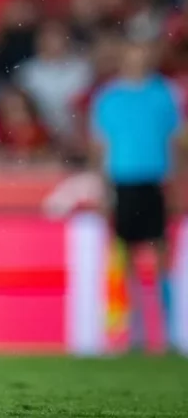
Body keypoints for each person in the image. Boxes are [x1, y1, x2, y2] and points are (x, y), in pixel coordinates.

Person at [89, 37, 183, 352]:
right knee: (127, 259)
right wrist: (103, 190)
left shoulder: (164, 93)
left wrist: (177, 185)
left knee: (161, 257)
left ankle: (168, 334)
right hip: (123, 181)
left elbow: (175, 142)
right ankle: (133, 335)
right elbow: (100, 147)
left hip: (155, 181)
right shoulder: (109, 97)